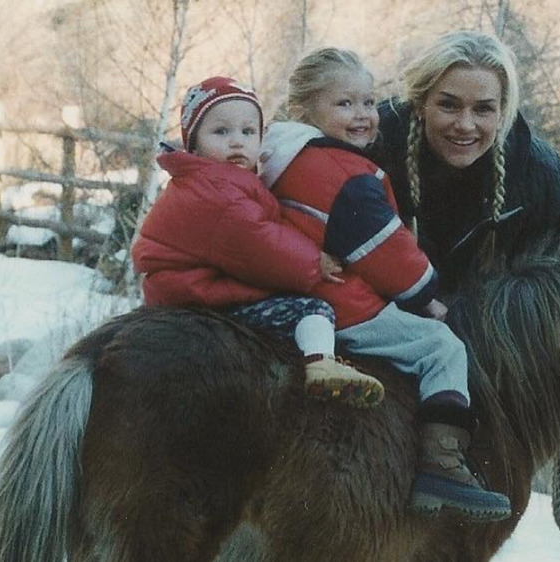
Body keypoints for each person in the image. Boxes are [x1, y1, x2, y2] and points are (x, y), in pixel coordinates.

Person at [260, 48, 512, 521]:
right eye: (344, 104)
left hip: (294, 296)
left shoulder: (279, 158)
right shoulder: (343, 174)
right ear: (303, 110)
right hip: (343, 304)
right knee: (441, 347)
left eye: (367, 102)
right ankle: (442, 463)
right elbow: (385, 251)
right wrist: (427, 295)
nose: (361, 116)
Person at [131, 76, 385, 408]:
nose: (237, 143)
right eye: (221, 132)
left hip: (192, 285)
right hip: (197, 296)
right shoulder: (217, 191)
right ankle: (321, 362)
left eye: (248, 132)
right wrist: (314, 261)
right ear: (193, 145)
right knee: (314, 308)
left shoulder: (216, 181)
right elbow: (258, 243)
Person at [373, 30, 560, 293]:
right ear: (421, 103)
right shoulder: (375, 141)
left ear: (502, 113)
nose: (465, 125)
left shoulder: (538, 173)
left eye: (483, 109)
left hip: (492, 323)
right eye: (448, 105)